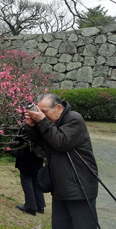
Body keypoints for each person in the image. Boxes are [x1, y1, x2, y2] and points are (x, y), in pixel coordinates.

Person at [25, 92, 99, 229]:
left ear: (59, 108)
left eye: (44, 111)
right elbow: (42, 145)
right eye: (39, 111)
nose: (41, 115)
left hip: (79, 188)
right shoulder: (50, 123)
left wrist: (42, 121)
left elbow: (60, 142)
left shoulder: (74, 119)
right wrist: (32, 127)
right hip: (60, 187)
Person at [11, 126, 46, 216]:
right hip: (38, 155)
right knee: (35, 180)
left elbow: (19, 139)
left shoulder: (27, 126)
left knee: (26, 179)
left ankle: (30, 206)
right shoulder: (42, 124)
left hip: (27, 156)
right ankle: (40, 205)